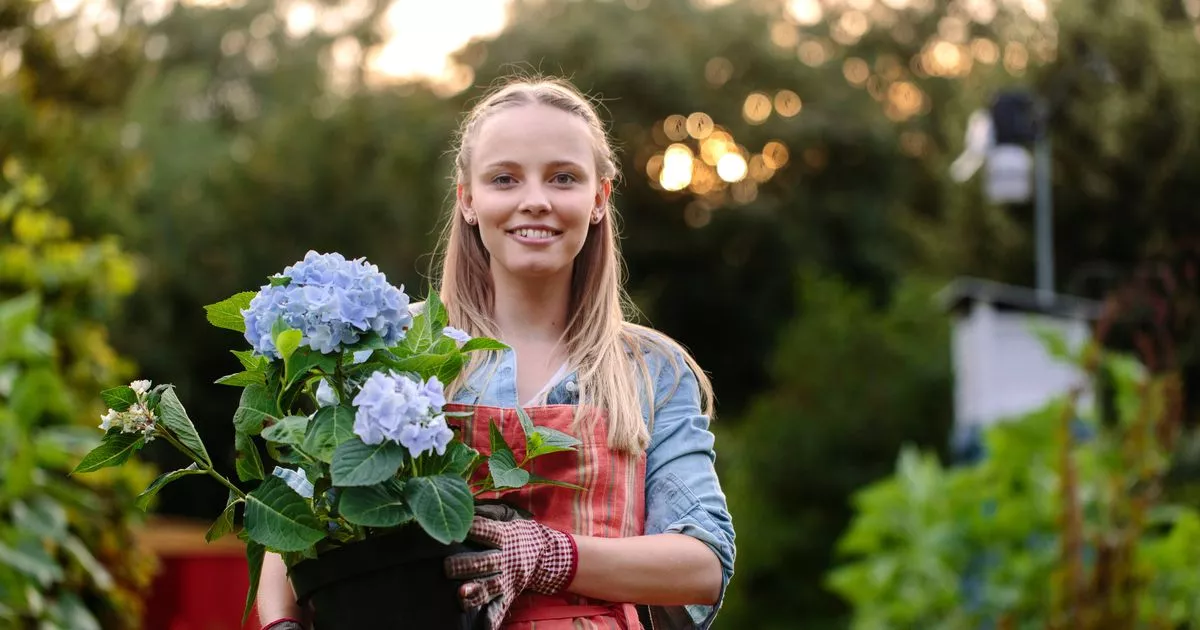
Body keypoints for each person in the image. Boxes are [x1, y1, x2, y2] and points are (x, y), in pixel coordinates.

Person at [257, 76, 736, 630]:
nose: (535, 200)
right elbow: (296, 520)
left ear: (600, 199)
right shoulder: (395, 351)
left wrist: (549, 555)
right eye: (504, 179)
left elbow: (702, 563)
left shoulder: (651, 371)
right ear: (468, 200)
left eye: (563, 178)